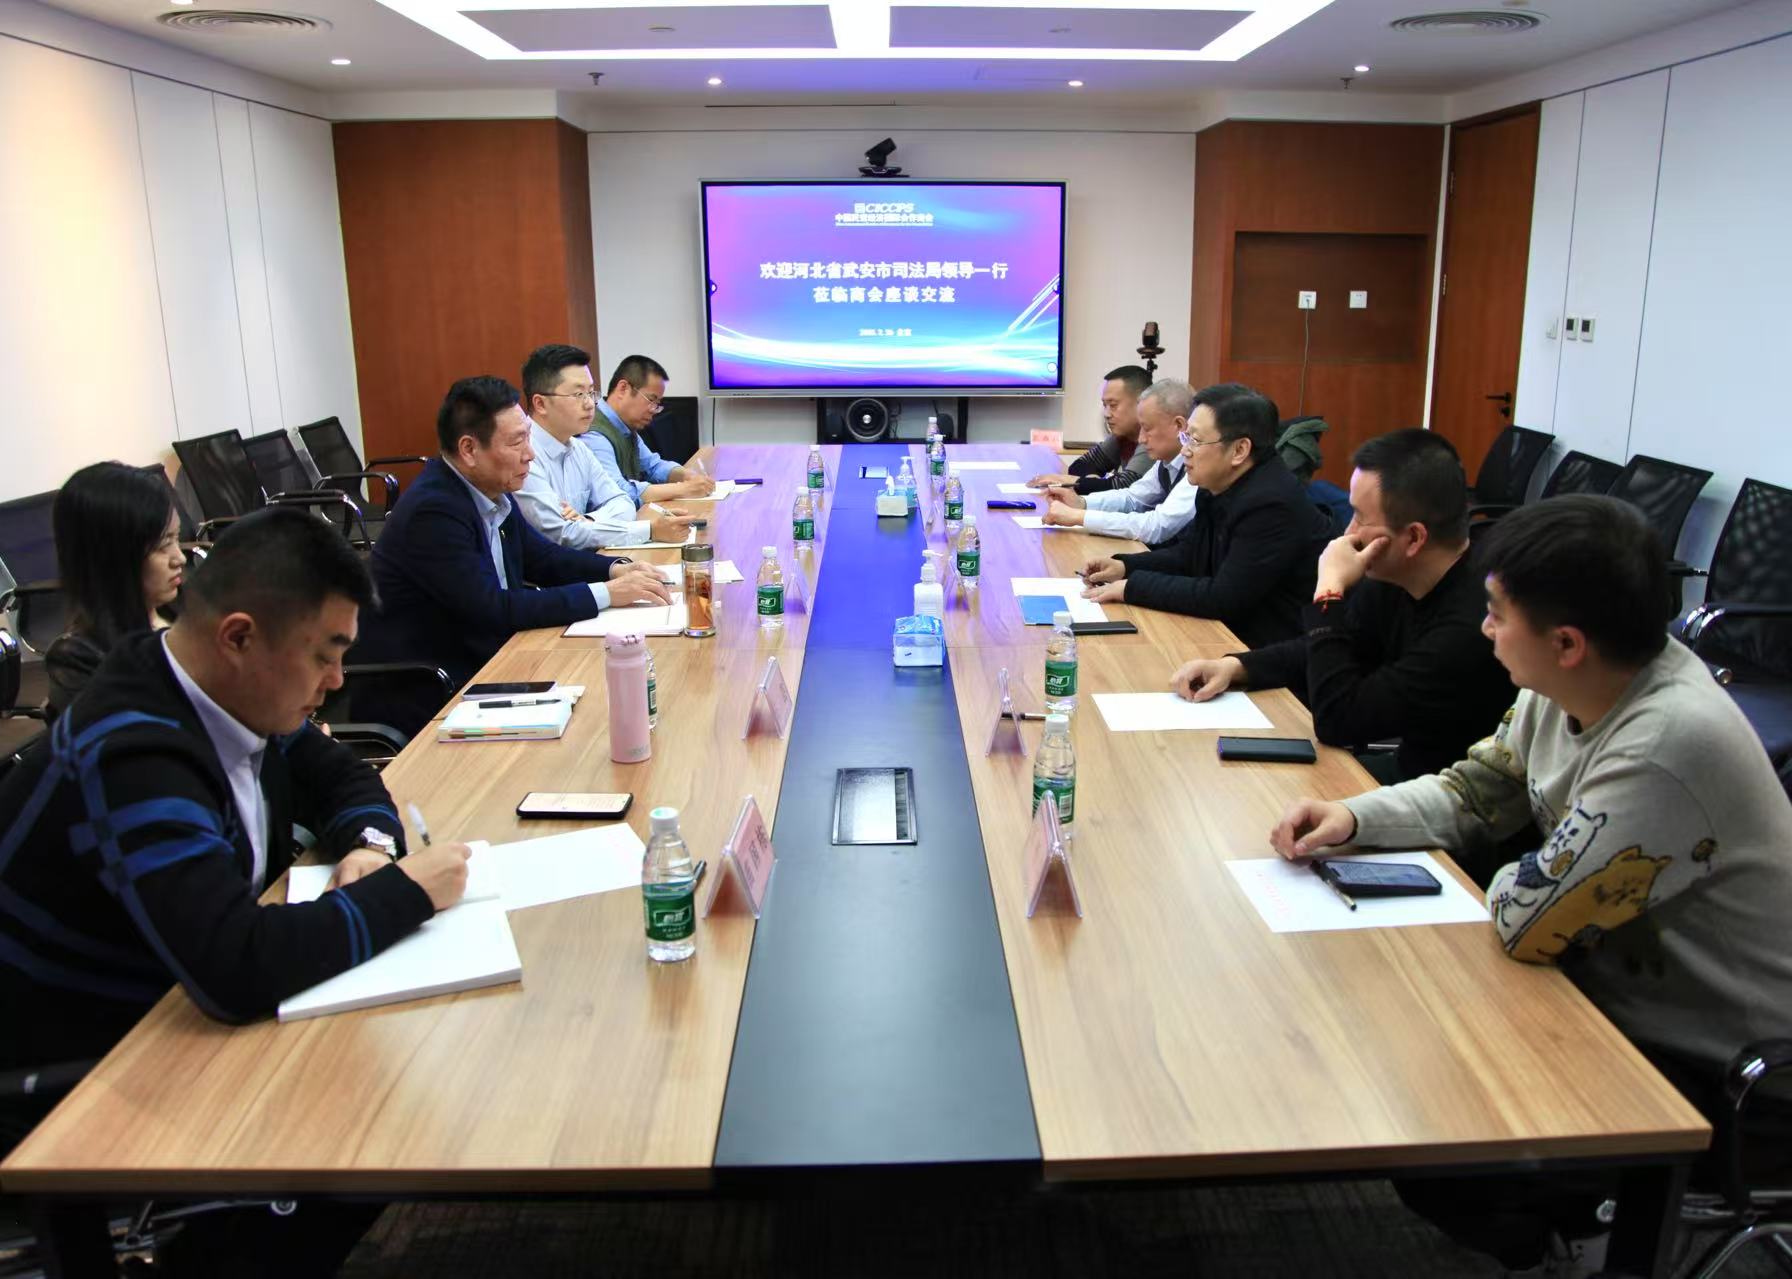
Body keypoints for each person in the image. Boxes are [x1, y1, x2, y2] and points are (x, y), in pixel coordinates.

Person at [1269, 495, 1792, 1269]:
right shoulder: (1565, 684)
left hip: (1731, 1074)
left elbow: (1526, 920)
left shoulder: (1666, 744)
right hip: (1613, 996)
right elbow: (1478, 789)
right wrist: (1354, 817)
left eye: (1496, 614)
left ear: (1567, 642)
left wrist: (1531, 871)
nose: (1484, 629)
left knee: (1442, 1129)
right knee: (1409, 1054)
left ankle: (1576, 1243)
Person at [0, 506, 473, 1142]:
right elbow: (236, 968)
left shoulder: (226, 689)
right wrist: (407, 892)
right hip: (79, 1080)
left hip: (170, 1013)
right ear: (239, 638)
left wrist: (370, 848)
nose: (336, 683)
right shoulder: (132, 752)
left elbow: (342, 776)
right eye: (324, 656)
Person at [1170, 429, 1512, 783]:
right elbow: (1336, 644)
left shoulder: (1470, 629)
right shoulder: (1398, 578)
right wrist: (1236, 667)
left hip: (1444, 794)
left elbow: (1338, 720)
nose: (1347, 532)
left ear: (1413, 538)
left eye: (1360, 517)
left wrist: (1329, 592)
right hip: (1412, 778)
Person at [359, 375, 671, 711]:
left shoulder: (492, 490)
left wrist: (616, 569)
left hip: (491, 659)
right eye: (516, 442)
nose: (530, 454)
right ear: (469, 450)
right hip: (435, 690)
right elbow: (492, 608)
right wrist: (608, 594)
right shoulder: (434, 511)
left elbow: (543, 557)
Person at [1080, 391, 1333, 647]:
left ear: (1239, 450)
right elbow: (1189, 555)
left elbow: (1223, 597)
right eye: (1185, 437)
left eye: (1195, 440)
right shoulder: (1216, 484)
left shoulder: (1271, 504)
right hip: (1231, 633)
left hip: (1274, 648)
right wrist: (1125, 567)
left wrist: (1131, 588)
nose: (1185, 450)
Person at [514, 343, 694, 549]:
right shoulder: (523, 455)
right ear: (540, 404)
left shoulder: (577, 448)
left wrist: (590, 520)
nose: (590, 404)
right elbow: (560, 534)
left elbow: (623, 501)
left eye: (591, 393)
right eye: (578, 394)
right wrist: (650, 530)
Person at [43, 461, 186, 718]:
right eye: (162, 545)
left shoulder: (189, 610)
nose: (180, 558)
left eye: (176, 538)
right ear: (114, 557)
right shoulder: (81, 660)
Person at [1037, 380, 1244, 545]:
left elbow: (1158, 526)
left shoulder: (1199, 467)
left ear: (1179, 425)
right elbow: (1133, 498)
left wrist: (1079, 516)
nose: (1141, 439)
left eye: (1147, 428)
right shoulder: (1166, 462)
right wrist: (1082, 503)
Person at [580, 354, 716, 505]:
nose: (654, 410)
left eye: (657, 404)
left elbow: (653, 466)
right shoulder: (594, 435)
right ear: (623, 388)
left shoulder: (625, 427)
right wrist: (684, 489)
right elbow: (616, 491)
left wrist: (687, 475)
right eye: (651, 400)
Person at [1026, 365, 1154, 494]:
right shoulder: (1122, 436)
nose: (1106, 414)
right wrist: (1090, 481)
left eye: (1113, 405)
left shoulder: (1152, 438)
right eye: (1105, 405)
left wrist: (1066, 480)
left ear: (1141, 403)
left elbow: (1123, 487)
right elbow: (1080, 465)